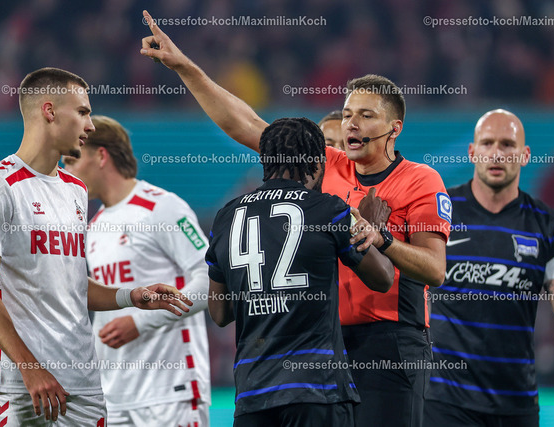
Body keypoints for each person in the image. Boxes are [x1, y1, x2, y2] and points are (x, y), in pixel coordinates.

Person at [140, 11, 451, 426]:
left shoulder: (420, 179)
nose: (352, 123)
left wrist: (383, 240)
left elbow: (435, 270)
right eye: (348, 113)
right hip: (328, 344)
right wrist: (185, 67)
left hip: (390, 343)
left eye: (366, 115)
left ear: (394, 128)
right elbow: (246, 123)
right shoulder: (327, 164)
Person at [0, 68, 192, 426]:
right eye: (82, 112)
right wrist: (30, 367)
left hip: (83, 385)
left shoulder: (76, 191)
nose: (91, 125)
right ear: (49, 111)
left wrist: (132, 296)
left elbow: (72, 283)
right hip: (19, 386)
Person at [205, 117, 395, 426]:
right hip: (317, 389)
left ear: (266, 160)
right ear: (317, 163)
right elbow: (383, 278)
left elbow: (219, 313)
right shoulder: (329, 210)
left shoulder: (226, 218)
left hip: (253, 394)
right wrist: (372, 229)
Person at [424, 109, 554, 426]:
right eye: (487, 143)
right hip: (444, 400)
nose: (497, 153)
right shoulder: (440, 210)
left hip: (516, 402)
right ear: (472, 152)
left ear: (525, 155)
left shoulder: (546, 224)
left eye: (507, 144)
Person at [63, 115, 211, 426]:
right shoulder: (93, 226)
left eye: (72, 160)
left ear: (101, 155)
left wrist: (141, 322)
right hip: (114, 396)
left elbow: (211, 282)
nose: (65, 171)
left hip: (170, 392)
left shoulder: (162, 207)